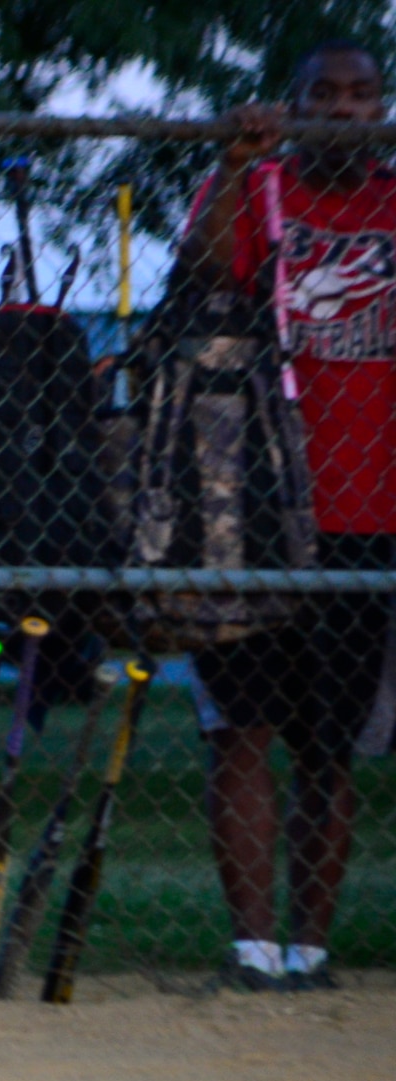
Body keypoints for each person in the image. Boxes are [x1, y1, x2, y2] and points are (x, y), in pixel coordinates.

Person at [178, 39, 396, 992]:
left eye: (363, 96)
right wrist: (237, 160)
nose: (344, 111)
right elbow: (200, 275)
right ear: (292, 103)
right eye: (324, 95)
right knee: (242, 725)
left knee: (330, 740)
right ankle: (253, 946)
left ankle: (311, 946)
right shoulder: (256, 186)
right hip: (252, 506)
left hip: (368, 508)